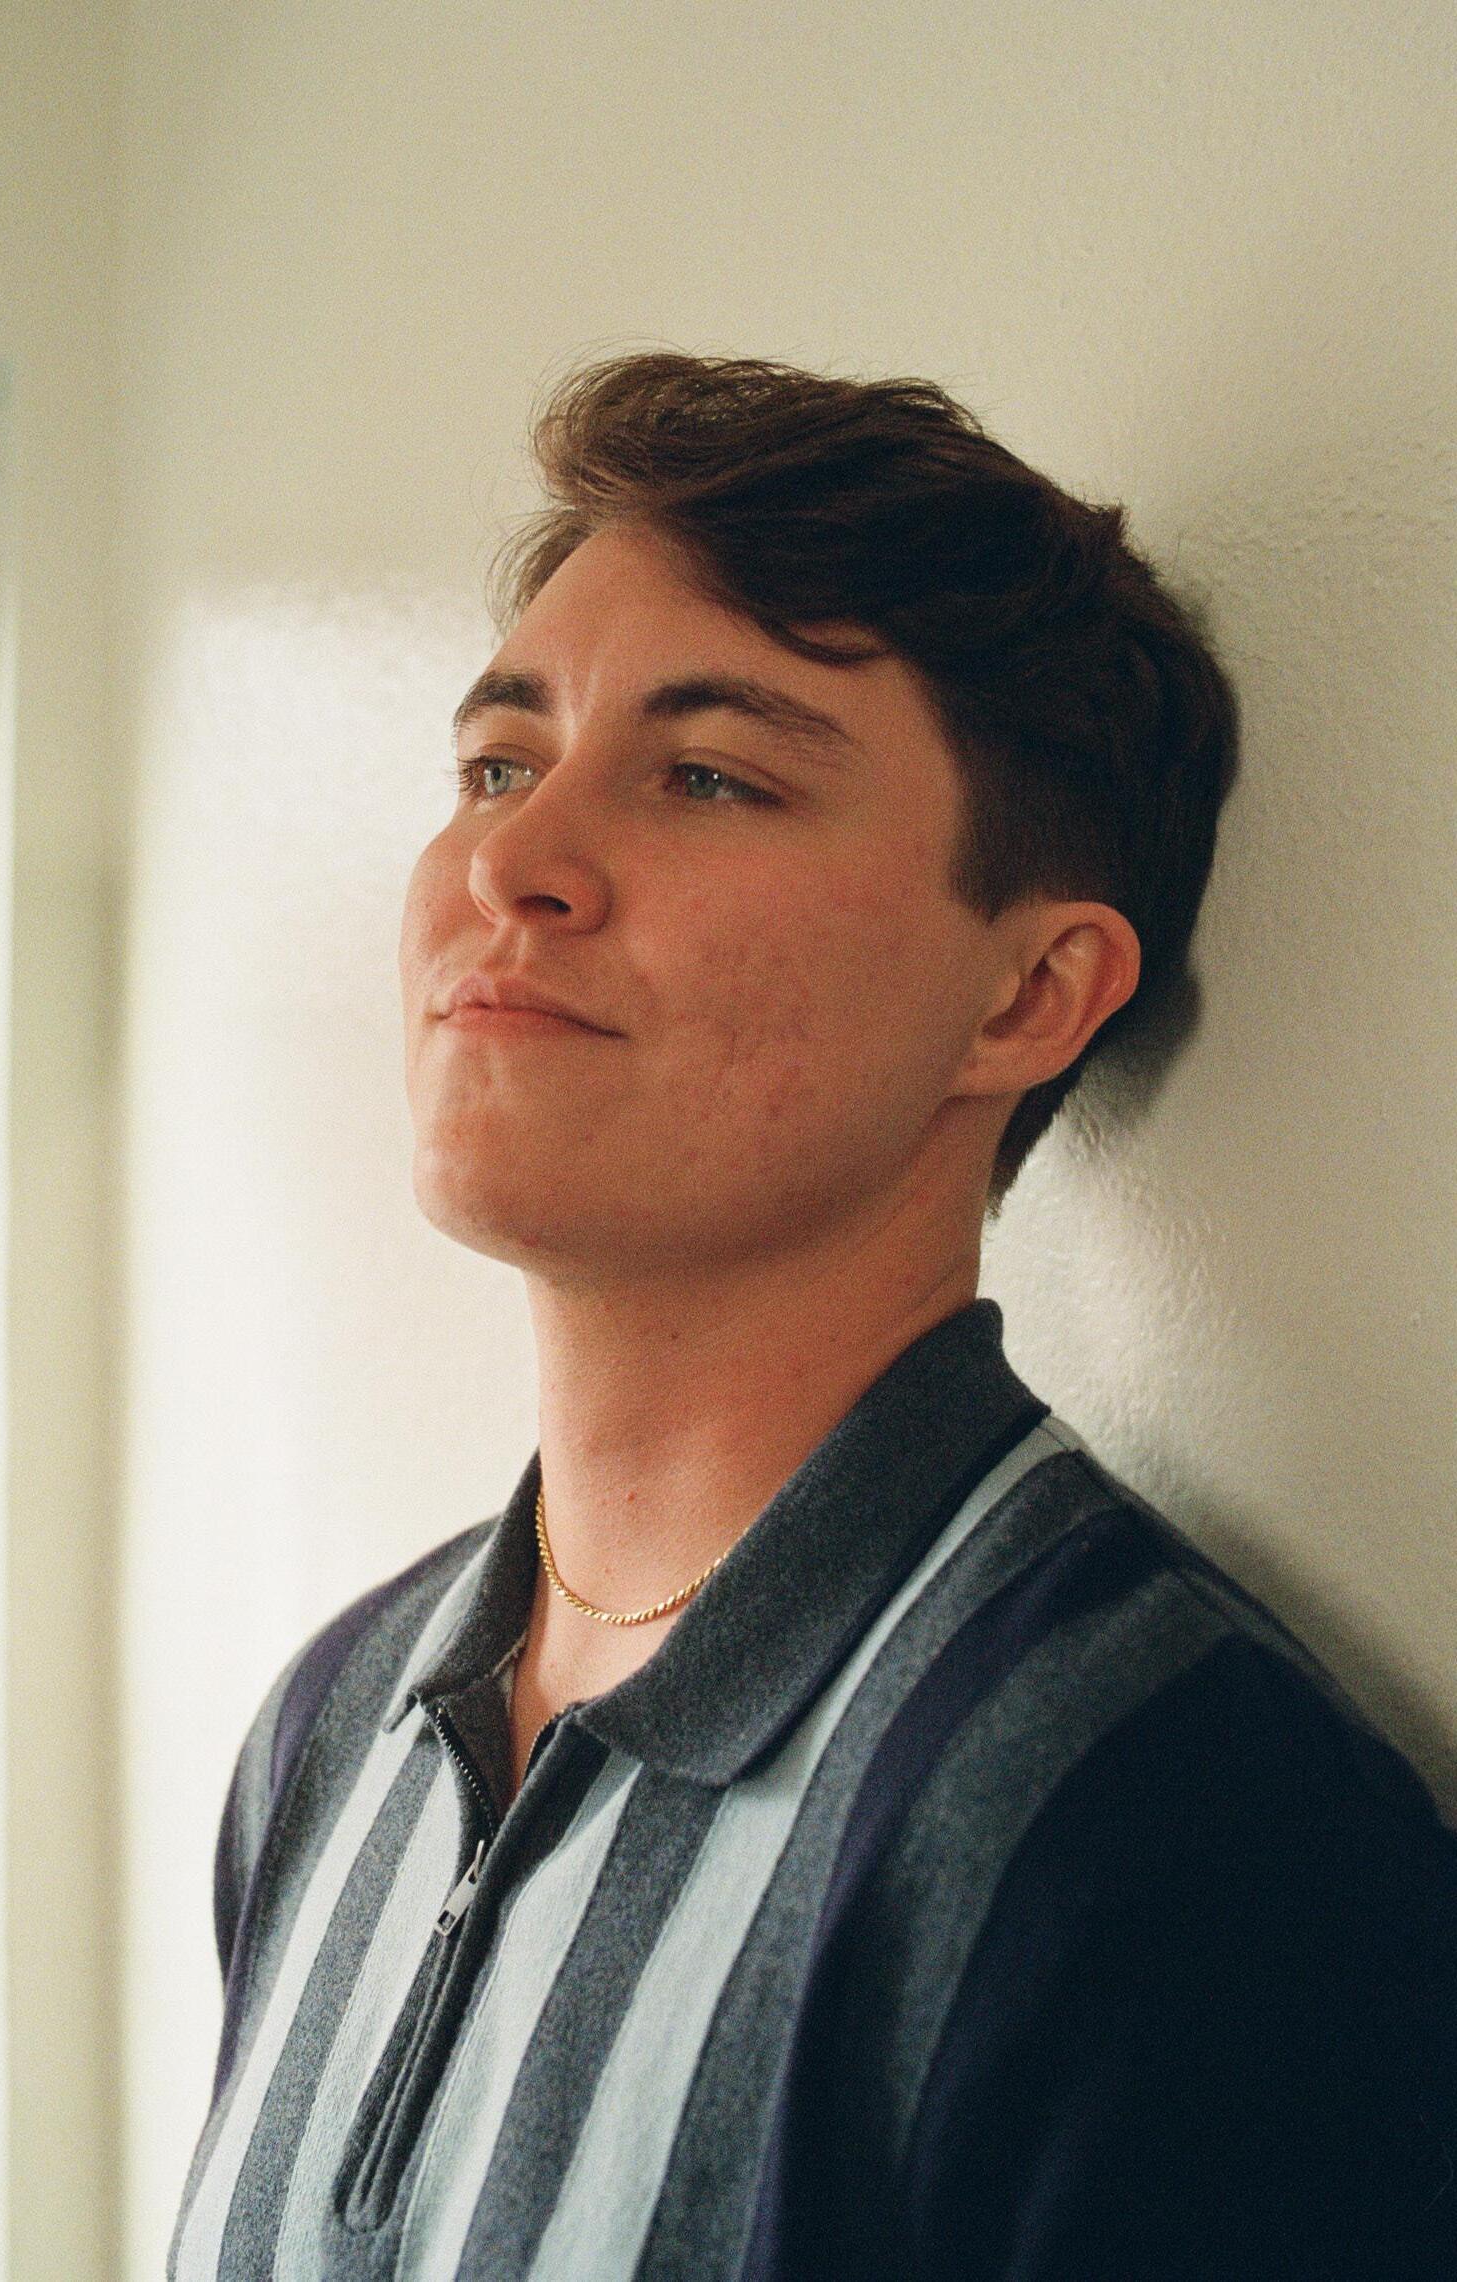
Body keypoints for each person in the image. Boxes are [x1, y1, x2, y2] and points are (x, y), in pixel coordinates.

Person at [170, 353, 1457, 2281]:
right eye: (500, 763)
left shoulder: (1177, 1823)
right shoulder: (330, 1730)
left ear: (1028, 996)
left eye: (710, 775)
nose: (510, 859)